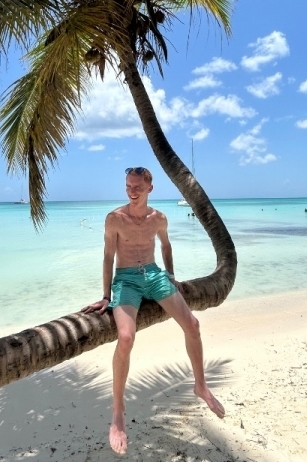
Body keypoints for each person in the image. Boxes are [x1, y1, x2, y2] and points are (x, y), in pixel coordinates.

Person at [81, 167, 225, 455]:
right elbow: (108, 257)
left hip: (154, 275)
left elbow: (166, 246)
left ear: (150, 188)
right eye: (128, 186)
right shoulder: (114, 218)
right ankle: (118, 412)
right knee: (126, 337)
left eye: (137, 186)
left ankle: (200, 386)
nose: (131, 191)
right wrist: (106, 295)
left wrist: (171, 275)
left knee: (193, 325)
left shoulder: (159, 218)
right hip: (126, 279)